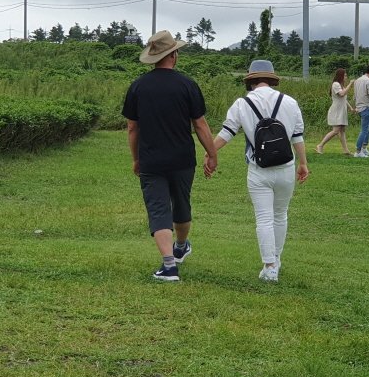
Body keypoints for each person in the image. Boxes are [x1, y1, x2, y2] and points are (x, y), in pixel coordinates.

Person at [122, 30, 217, 282]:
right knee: (181, 203)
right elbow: (200, 125)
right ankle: (181, 246)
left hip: (151, 159)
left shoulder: (138, 86)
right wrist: (212, 154)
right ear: (173, 55)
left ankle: (168, 266)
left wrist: (136, 158)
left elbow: (133, 128)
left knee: (158, 209)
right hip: (183, 159)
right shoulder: (187, 84)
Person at [210, 59, 309, 282]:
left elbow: (226, 133)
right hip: (286, 167)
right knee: (280, 214)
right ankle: (277, 258)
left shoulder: (241, 104)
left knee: (263, 218)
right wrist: (303, 163)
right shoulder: (290, 102)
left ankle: (270, 266)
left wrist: (210, 153)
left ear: (251, 79)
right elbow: (297, 137)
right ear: (271, 79)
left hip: (258, 168)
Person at [315, 67, 352, 155]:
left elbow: (344, 99)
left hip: (341, 111)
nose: (346, 77)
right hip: (336, 111)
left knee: (342, 130)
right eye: (345, 75)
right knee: (336, 130)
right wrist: (350, 84)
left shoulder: (341, 85)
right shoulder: (335, 84)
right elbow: (342, 94)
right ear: (340, 76)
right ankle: (320, 145)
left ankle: (346, 150)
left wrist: (350, 108)